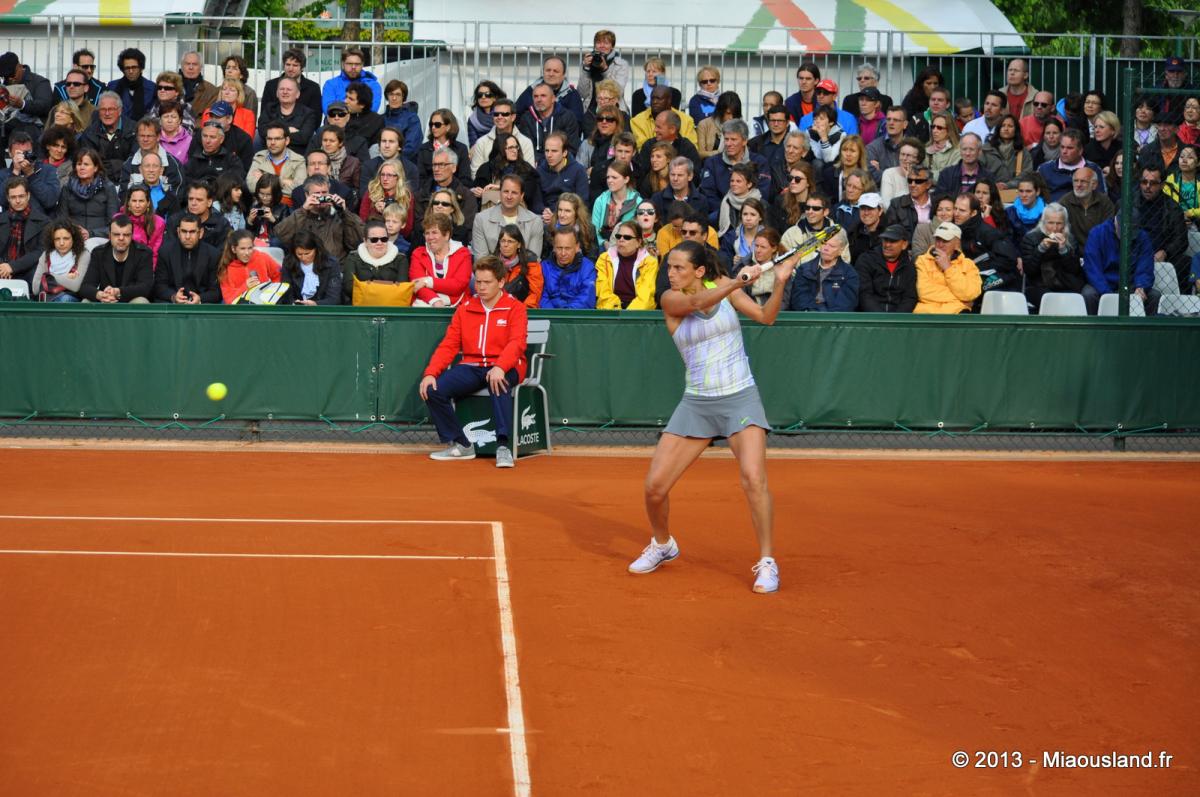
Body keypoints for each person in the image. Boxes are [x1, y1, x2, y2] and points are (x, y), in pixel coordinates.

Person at [630, 239, 802, 594]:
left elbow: (767, 317)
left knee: (754, 479)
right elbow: (696, 303)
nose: (671, 273)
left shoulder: (725, 288)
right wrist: (738, 281)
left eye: (679, 267)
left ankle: (767, 561)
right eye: (669, 267)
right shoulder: (670, 299)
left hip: (740, 398)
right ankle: (663, 544)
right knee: (654, 488)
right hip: (696, 403)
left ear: (699, 270)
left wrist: (779, 281)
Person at [419, 255, 528, 467]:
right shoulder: (465, 308)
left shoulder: (515, 308)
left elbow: (517, 343)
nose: (481, 287)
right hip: (472, 366)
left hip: (506, 366)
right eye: (478, 282)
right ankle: (461, 444)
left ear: (501, 282)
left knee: (498, 381)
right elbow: (449, 345)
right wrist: (431, 373)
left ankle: (503, 446)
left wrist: (500, 367)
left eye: (487, 282)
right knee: (433, 389)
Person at [274, 174, 365, 260]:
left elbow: (357, 242)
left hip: (337, 267)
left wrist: (344, 212)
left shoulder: (341, 215)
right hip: (307, 266)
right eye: (317, 193)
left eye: (324, 192)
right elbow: (281, 236)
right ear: (307, 195)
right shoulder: (299, 215)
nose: (321, 196)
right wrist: (303, 210)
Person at [1082, 212, 1158, 315]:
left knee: (1154, 295)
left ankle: (1145, 326)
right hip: (1104, 284)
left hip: (1131, 285)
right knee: (1089, 294)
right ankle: (1094, 325)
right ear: (1116, 221)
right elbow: (1093, 269)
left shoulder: (1142, 237)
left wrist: (1141, 286)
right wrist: (1107, 293)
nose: (1127, 235)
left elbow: (1145, 266)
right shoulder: (1097, 233)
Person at [1136, 163, 1189, 290]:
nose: (1147, 186)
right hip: (1134, 253)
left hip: (1162, 254)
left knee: (1185, 262)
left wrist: (1165, 251)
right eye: (1144, 182)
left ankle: (1177, 301)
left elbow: (1181, 240)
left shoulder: (1173, 207)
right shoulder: (1129, 203)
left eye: (1153, 183)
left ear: (1162, 185)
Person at [79, 215, 154, 303]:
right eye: (116, 234)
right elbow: (85, 286)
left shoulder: (143, 253)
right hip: (105, 300)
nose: (121, 238)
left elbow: (145, 287)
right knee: (86, 301)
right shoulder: (99, 253)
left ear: (131, 236)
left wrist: (118, 292)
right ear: (110, 235)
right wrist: (100, 295)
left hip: (130, 299)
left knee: (141, 302)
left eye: (126, 235)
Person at [1021, 202, 1082, 309]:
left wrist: (1063, 250)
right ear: (1043, 222)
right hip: (1038, 285)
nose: (1054, 228)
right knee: (1050, 300)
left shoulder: (1070, 239)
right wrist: (1041, 249)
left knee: (1076, 298)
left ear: (1065, 224)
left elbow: (1074, 270)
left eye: (1059, 223)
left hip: (1065, 283)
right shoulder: (1030, 238)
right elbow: (1029, 271)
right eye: (1050, 223)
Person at [912, 221, 981, 314]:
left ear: (957, 243)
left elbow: (970, 294)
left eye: (945, 241)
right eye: (938, 240)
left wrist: (948, 268)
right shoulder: (922, 261)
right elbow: (924, 292)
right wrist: (960, 300)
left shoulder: (968, 265)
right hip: (927, 314)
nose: (940, 244)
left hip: (956, 313)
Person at [152, 213, 221, 303]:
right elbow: (159, 286)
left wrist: (200, 298)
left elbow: (215, 291)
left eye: (192, 232)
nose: (187, 237)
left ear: (201, 233)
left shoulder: (213, 254)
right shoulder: (165, 252)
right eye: (184, 231)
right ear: (178, 232)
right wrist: (173, 297)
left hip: (202, 304)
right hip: (171, 303)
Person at [786, 227, 859, 311]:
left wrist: (824, 316)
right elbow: (799, 300)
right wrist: (813, 314)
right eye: (824, 243)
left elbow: (845, 305)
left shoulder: (850, 274)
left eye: (832, 246)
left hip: (835, 318)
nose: (826, 248)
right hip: (807, 316)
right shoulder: (803, 270)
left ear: (841, 250)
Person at [471, 173, 543, 258]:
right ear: (500, 193)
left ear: (521, 196)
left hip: (524, 266)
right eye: (506, 191)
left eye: (514, 193)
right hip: (491, 266)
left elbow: (533, 260)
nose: (509, 196)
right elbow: (481, 260)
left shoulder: (535, 222)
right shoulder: (481, 219)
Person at [409, 211, 472, 307]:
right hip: (426, 303)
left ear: (446, 235)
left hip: (458, 305)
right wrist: (435, 300)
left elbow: (458, 285)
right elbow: (417, 285)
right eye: (427, 233)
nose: (430, 237)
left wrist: (427, 281)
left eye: (434, 232)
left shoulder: (463, 254)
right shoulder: (418, 254)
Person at [341, 218, 408, 305]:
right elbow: (349, 287)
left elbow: (401, 288)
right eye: (374, 240)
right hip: (360, 307)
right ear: (365, 241)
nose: (379, 243)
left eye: (384, 239)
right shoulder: (353, 257)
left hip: (391, 307)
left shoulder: (400, 259)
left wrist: (367, 286)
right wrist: (389, 287)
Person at [595, 220, 658, 309]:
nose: (621, 240)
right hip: (611, 310)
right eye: (618, 236)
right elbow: (603, 293)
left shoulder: (649, 263)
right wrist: (617, 311)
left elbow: (645, 297)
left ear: (639, 242)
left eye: (627, 237)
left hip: (638, 312)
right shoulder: (604, 259)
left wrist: (627, 314)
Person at [473, 132, 542, 213]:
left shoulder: (525, 168)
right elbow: (477, 190)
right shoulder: (486, 169)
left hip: (520, 212)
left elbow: (527, 194)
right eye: (510, 147)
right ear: (500, 149)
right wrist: (477, 192)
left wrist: (500, 187)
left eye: (516, 147)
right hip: (490, 213)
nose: (515, 150)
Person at [59, 148, 119, 239]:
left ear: (95, 168)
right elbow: (62, 219)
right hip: (73, 236)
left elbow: (114, 224)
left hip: (99, 237)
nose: (82, 167)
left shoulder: (108, 188)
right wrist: (74, 232)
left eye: (86, 164)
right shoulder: (67, 188)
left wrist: (91, 233)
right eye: (79, 164)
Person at [854, 223, 916, 312]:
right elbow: (864, 294)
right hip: (871, 316)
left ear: (904, 245)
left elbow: (909, 298)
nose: (887, 245)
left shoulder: (909, 266)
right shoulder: (866, 260)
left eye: (893, 241)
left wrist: (897, 318)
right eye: (885, 240)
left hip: (898, 317)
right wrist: (881, 318)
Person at [0, 176, 49, 286]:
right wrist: (3, 268)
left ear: (28, 196)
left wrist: (12, 267)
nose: (17, 201)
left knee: (37, 278)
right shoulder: (1, 219)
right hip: (2, 268)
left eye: (21, 196)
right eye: (13, 197)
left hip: (29, 270)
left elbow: (40, 251)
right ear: (8, 198)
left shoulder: (44, 222)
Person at [513, 56, 585, 128]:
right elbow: (514, 115)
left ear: (563, 75)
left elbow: (576, 124)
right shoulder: (531, 91)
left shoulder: (572, 94)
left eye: (555, 71)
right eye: (548, 70)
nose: (551, 74)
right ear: (543, 72)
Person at [215, 228, 282, 304]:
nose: (247, 253)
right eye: (242, 249)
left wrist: (272, 292)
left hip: (264, 304)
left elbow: (279, 275)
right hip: (240, 307)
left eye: (250, 248)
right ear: (233, 249)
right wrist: (245, 287)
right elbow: (228, 299)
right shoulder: (226, 268)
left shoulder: (262, 257)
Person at [518, 82, 582, 158]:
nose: (539, 100)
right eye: (535, 96)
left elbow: (572, 148)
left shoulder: (567, 117)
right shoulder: (526, 118)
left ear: (553, 99)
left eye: (543, 96)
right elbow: (527, 148)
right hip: (535, 163)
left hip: (560, 163)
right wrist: (542, 163)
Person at [0, 131, 60, 213]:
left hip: (41, 219)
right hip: (11, 219)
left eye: (27, 152)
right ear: (10, 153)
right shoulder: (2, 175)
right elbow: (2, 201)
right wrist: (14, 173)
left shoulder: (48, 170)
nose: (24, 156)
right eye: (19, 153)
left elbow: (50, 201)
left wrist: (31, 175)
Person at [29, 220, 90, 301]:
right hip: (48, 299)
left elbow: (75, 286)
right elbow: (35, 288)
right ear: (52, 240)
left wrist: (47, 277)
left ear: (74, 238)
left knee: (65, 299)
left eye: (66, 238)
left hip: (71, 299)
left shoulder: (83, 254)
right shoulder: (46, 255)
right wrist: (66, 277)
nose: (61, 243)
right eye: (57, 239)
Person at [163, 179, 231, 250]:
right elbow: (168, 250)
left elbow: (222, 253)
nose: (193, 203)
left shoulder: (221, 224)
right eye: (190, 199)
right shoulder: (174, 221)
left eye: (199, 200)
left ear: (209, 202)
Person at [280, 229, 342, 305]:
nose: (303, 258)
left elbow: (334, 298)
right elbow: (286, 292)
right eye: (299, 254)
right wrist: (293, 303)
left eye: (307, 253)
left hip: (324, 309)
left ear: (316, 250)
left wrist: (316, 304)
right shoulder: (288, 262)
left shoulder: (331, 264)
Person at [539, 226, 596, 309]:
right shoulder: (544, 267)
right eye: (559, 248)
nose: (563, 253)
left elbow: (587, 297)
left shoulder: (587, 267)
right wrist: (553, 314)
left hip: (576, 315)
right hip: (550, 315)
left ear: (577, 247)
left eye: (567, 248)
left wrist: (566, 313)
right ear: (554, 247)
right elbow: (542, 298)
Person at [262, 48, 323, 123]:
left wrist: (299, 129)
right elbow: (264, 114)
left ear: (302, 67)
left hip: (303, 129)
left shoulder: (313, 88)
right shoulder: (271, 85)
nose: (290, 69)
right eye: (288, 64)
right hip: (274, 128)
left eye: (295, 65)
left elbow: (316, 118)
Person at [591, 161, 641, 250]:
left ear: (626, 179)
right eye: (608, 177)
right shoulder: (600, 201)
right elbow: (594, 230)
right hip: (602, 248)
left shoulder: (638, 202)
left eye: (614, 177)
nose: (609, 180)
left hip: (629, 247)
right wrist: (604, 243)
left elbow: (639, 231)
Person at [577, 29, 630, 113]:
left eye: (606, 43)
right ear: (595, 45)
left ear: (612, 46)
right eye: (598, 43)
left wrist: (605, 69)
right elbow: (582, 93)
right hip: (591, 110)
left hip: (614, 110)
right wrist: (586, 69)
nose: (602, 46)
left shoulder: (621, 64)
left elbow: (618, 92)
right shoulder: (588, 62)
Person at [1060, 167, 1114, 247]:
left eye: (1083, 181)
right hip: (1073, 250)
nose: (1078, 185)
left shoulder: (1104, 202)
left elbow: (1108, 231)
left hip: (1099, 248)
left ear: (1094, 185)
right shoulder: (1064, 203)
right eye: (1076, 181)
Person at [494, 224, 543, 308]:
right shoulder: (492, 263)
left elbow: (535, 293)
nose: (505, 245)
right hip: (496, 308)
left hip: (522, 308)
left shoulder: (530, 263)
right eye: (503, 241)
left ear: (519, 244)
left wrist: (522, 309)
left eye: (510, 241)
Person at [322, 47, 382, 113]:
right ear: (343, 64)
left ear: (362, 65)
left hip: (363, 120)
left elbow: (372, 109)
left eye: (357, 64)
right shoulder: (331, 84)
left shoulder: (373, 85)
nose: (353, 67)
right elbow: (328, 110)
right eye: (349, 64)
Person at [183, 121, 245, 186]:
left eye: (212, 137)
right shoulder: (193, 161)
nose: (207, 141)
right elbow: (185, 182)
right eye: (205, 136)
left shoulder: (232, 160)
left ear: (221, 139)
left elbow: (236, 180)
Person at [543, 192, 598, 261]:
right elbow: (545, 258)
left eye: (567, 211)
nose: (562, 215)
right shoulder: (549, 229)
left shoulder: (588, 229)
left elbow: (592, 258)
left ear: (576, 213)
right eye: (560, 210)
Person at [118, 185, 165, 266]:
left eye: (141, 201)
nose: (137, 205)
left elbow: (154, 254)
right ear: (128, 202)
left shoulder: (158, 223)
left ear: (148, 203)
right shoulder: (118, 219)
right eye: (134, 201)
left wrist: (148, 271)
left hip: (145, 266)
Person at [106, 47, 155, 121]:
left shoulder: (152, 88)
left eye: (134, 67)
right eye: (127, 68)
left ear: (141, 68)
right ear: (122, 69)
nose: (131, 71)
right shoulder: (113, 87)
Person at [719, 195, 766, 271]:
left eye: (753, 214)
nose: (748, 218)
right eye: (745, 214)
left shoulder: (769, 237)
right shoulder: (730, 237)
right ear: (741, 216)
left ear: (760, 217)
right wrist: (732, 261)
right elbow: (723, 263)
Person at [379, 80, 422, 161]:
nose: (394, 98)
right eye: (391, 94)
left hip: (404, 163)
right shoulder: (381, 118)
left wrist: (394, 162)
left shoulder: (412, 118)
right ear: (387, 96)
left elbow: (411, 147)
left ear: (403, 97)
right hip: (382, 163)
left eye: (398, 95)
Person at [879, 138, 924, 209]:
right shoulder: (889, 173)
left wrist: (908, 179)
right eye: (902, 154)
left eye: (908, 155)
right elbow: (886, 204)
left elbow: (920, 203)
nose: (904, 158)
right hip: (893, 215)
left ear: (917, 159)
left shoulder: (923, 176)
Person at [980, 114, 1022, 188]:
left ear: (1016, 130)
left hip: (1014, 192)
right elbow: (979, 172)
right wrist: (992, 185)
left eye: (1010, 126)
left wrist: (1008, 185)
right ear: (998, 128)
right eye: (1003, 126)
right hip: (989, 190)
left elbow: (1026, 175)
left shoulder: (1022, 152)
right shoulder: (986, 149)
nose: (1006, 129)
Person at [694, 91, 738, 159]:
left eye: (734, 114)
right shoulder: (704, 124)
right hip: (710, 163)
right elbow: (700, 153)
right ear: (721, 110)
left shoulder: (740, 126)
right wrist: (718, 153)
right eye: (728, 113)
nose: (731, 117)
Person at [178, 51, 220, 116]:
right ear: (182, 66)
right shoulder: (170, 86)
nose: (191, 67)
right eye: (187, 64)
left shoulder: (211, 91)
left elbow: (209, 117)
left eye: (195, 64)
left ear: (201, 67)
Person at [466, 79, 505, 147]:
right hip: (481, 150)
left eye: (487, 94)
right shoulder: (473, 120)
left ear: (495, 97)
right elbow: (473, 145)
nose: (483, 97)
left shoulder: (504, 115)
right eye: (480, 95)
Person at [40, 124, 77, 188]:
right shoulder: (38, 165)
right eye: (56, 146)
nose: (59, 150)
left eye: (63, 147)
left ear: (67, 150)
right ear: (47, 146)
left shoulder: (71, 169)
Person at [157, 101, 192, 165]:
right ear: (160, 120)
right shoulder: (154, 138)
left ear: (180, 120)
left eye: (173, 117)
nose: (169, 120)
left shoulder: (189, 141)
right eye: (166, 116)